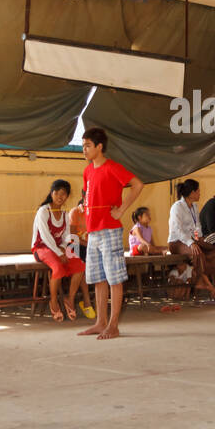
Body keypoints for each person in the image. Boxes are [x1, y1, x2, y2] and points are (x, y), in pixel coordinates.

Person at [78, 128, 143, 340]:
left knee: (114, 278)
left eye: (88, 145)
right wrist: (83, 209)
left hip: (110, 230)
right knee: (98, 278)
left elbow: (137, 185)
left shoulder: (113, 167)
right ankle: (100, 322)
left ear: (99, 147)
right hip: (93, 232)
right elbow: (88, 195)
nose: (84, 149)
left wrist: (122, 209)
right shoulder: (88, 171)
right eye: (83, 145)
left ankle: (113, 325)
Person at [32, 179, 95, 322]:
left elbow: (67, 235)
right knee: (58, 267)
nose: (60, 197)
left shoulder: (65, 214)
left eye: (64, 194)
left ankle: (70, 299)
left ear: (67, 196)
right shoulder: (43, 211)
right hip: (41, 248)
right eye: (57, 193)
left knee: (79, 266)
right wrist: (60, 253)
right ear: (51, 193)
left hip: (59, 248)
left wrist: (65, 247)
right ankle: (53, 302)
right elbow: (45, 236)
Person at [168, 180, 215, 298]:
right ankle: (202, 282)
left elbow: (197, 225)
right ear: (192, 192)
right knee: (197, 252)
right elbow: (177, 230)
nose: (200, 193)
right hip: (176, 242)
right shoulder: (177, 207)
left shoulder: (194, 206)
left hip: (193, 239)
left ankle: (204, 279)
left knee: (214, 250)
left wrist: (199, 239)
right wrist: (191, 243)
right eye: (198, 191)